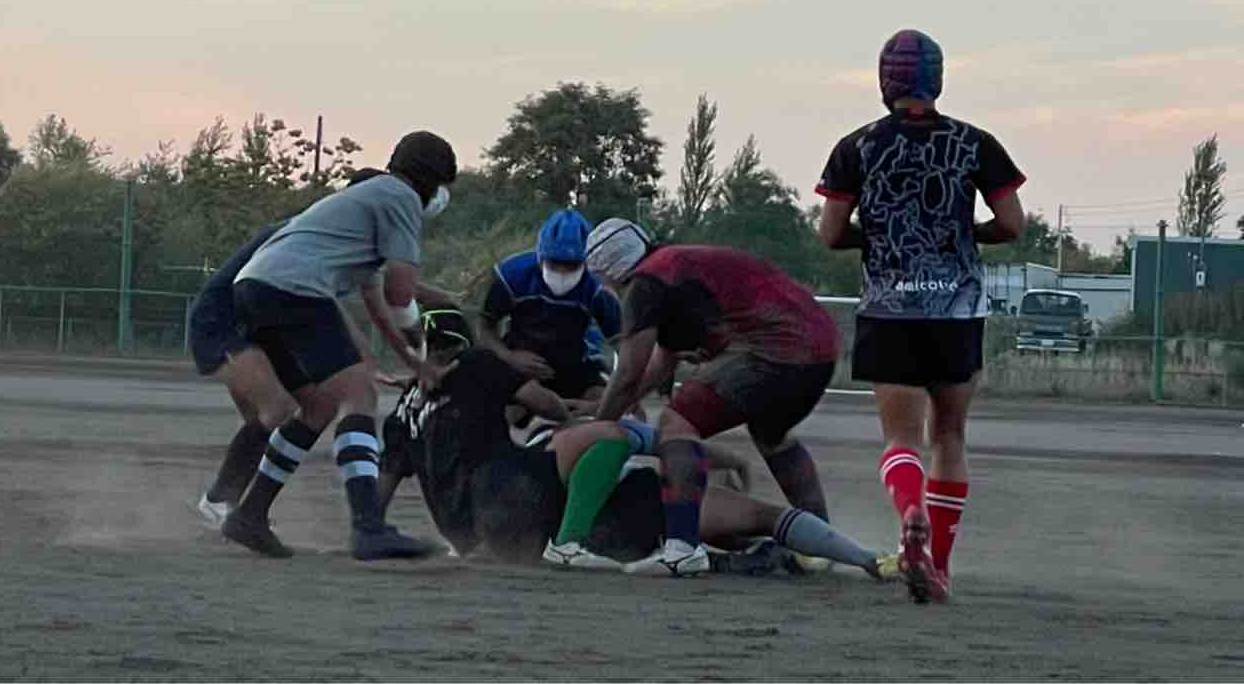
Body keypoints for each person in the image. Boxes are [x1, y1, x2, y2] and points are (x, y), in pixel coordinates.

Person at [378, 301, 890, 578]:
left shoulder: (404, 413)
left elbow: (378, 493)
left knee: (723, 526)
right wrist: (719, 455)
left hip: (478, 535)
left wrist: (377, 533)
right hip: (597, 506)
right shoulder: (490, 381)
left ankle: (742, 558)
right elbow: (585, 421)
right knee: (750, 512)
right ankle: (865, 559)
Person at [815, 29, 1026, 604]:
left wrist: (877, 236)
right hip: (956, 310)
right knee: (950, 435)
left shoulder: (856, 146)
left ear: (884, 80)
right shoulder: (975, 142)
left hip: (890, 309)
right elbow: (1012, 223)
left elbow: (830, 233)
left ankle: (910, 511)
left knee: (900, 439)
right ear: (938, 78)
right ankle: (941, 566)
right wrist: (964, 233)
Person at [221, 130, 458, 561]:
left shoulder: (367, 203)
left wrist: (413, 361)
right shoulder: (402, 198)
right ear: (429, 179)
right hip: (294, 289)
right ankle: (369, 528)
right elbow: (401, 294)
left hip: (253, 288)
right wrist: (422, 346)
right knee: (359, 396)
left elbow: (378, 301)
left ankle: (250, 515)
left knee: (318, 406)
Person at [583, 221, 844, 577]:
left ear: (612, 271)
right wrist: (615, 405)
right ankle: (820, 541)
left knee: (676, 423)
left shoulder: (645, 283)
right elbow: (660, 362)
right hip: (821, 347)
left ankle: (682, 547)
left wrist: (597, 427)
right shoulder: (674, 266)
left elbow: (628, 371)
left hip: (776, 347)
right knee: (769, 433)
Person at [192, 170, 389, 528]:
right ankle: (220, 501)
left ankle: (246, 510)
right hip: (222, 320)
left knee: (311, 406)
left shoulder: (335, 238)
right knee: (276, 409)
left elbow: (331, 306)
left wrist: (367, 362)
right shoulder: (306, 233)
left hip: (261, 324)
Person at [478, 209, 621, 407]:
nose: (562, 272)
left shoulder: (597, 287)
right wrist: (509, 357)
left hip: (576, 365)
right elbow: (485, 327)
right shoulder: (511, 275)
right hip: (518, 364)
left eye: (571, 266)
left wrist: (623, 388)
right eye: (555, 263)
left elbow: (622, 343)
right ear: (541, 256)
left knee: (607, 402)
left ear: (586, 262)